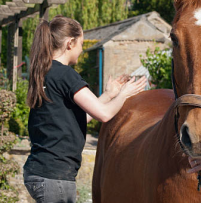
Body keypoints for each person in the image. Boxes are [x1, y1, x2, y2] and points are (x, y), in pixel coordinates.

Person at [23, 15, 147, 203]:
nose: (82, 49)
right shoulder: (66, 75)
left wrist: (108, 95)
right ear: (70, 43)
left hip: (40, 172)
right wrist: (125, 94)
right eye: (81, 43)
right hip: (54, 177)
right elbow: (104, 115)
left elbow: (78, 119)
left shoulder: (46, 73)